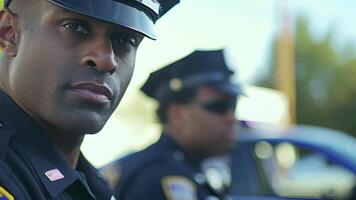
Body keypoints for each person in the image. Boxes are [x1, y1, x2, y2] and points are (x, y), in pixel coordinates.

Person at [0, 0, 178, 199]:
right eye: (75, 26)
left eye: (124, 40)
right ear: (9, 33)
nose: (106, 60)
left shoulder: (91, 183)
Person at [102, 49, 245, 200]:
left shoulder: (180, 169)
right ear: (177, 115)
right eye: (219, 107)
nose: (231, 118)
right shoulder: (157, 177)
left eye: (233, 107)